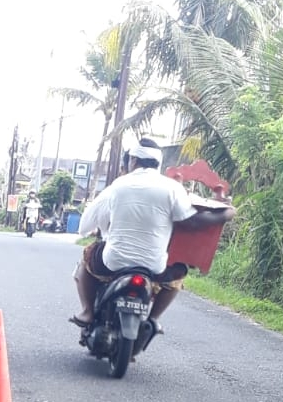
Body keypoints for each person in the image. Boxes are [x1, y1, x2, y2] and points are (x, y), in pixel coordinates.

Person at [73, 140, 234, 327]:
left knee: (87, 255)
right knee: (179, 272)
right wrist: (226, 214)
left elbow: (84, 227)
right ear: (158, 163)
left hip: (114, 262)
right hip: (154, 266)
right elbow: (192, 221)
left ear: (133, 161)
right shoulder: (172, 188)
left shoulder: (117, 185)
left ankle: (87, 312)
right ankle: (154, 318)